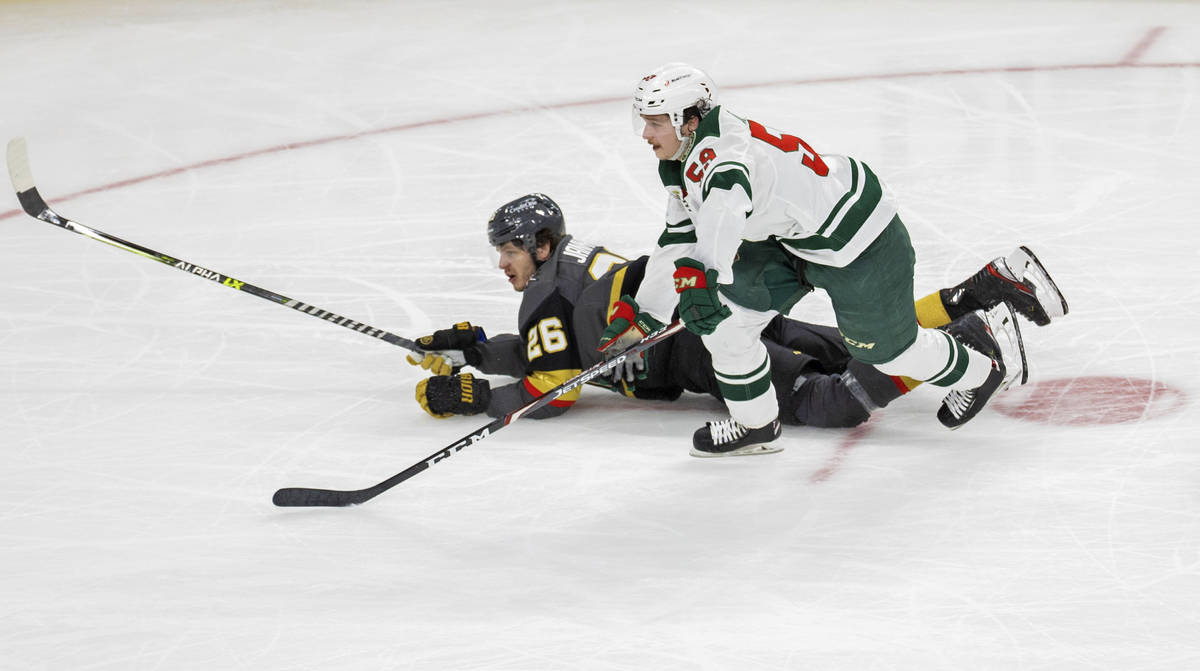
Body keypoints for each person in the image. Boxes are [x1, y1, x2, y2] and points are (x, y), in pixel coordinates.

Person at [620, 62, 1067, 456]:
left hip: (858, 237)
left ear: (690, 119)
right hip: (791, 238)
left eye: (655, 122)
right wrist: (645, 311)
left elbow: (724, 208)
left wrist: (708, 276)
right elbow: (678, 237)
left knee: (890, 354)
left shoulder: (720, 159)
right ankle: (757, 425)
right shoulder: (686, 157)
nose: (645, 134)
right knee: (728, 329)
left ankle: (979, 371)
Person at [408, 193, 1067, 455]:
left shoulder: (547, 302)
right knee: (861, 342)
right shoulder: (572, 270)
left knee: (832, 401)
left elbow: (553, 393)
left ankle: (974, 342)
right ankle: (984, 289)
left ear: (543, 245)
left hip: (703, 350)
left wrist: (476, 396)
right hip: (722, 304)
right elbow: (559, 352)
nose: (502, 263)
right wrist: (477, 348)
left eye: (510, 250)